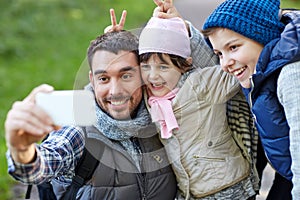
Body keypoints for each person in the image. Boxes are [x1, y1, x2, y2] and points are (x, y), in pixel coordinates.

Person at [5, 30, 178, 199]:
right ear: (92, 80)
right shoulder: (78, 131)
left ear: (143, 75)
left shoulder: (163, 116)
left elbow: (200, 75)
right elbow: (42, 164)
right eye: (103, 78)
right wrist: (21, 149)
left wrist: (179, 25)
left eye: (126, 76)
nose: (115, 91)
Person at [137, 15, 257, 199]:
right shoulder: (147, 96)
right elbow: (112, 87)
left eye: (163, 67)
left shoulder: (202, 85)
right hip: (190, 193)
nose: (153, 76)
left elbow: (229, 67)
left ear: (185, 64)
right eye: (146, 66)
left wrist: (186, 29)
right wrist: (113, 47)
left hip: (229, 188)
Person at [201, 0, 300, 198]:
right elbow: (205, 63)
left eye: (234, 47)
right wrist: (180, 26)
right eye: (220, 53)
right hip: (287, 172)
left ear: (262, 35)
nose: (225, 63)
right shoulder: (257, 69)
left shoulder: (291, 76)